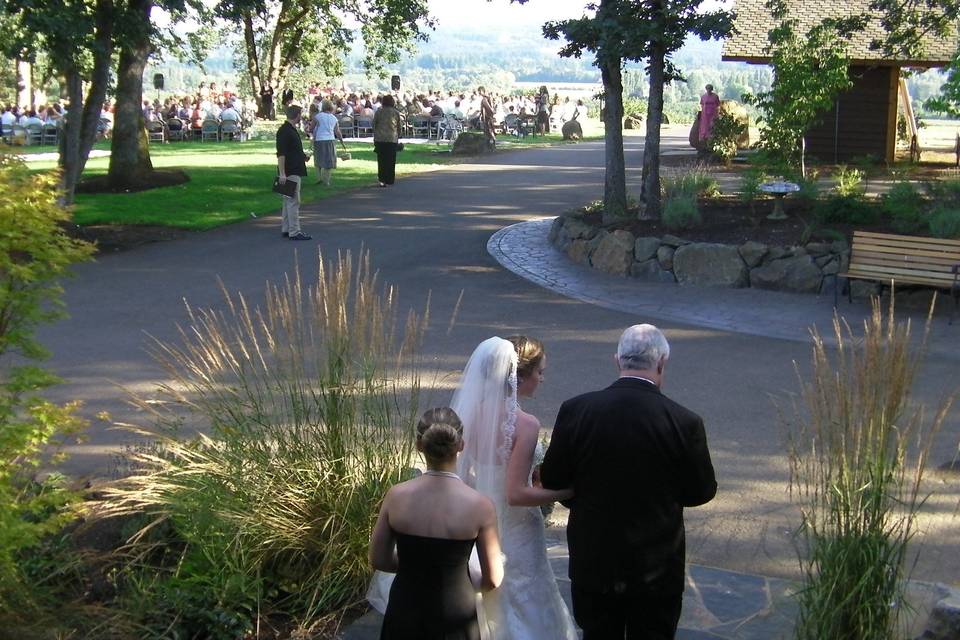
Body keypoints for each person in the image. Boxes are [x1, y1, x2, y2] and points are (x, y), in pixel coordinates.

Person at [541, 324, 717, 640]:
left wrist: (581, 497)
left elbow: (554, 478)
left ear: (617, 361)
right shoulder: (685, 421)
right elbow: (701, 491)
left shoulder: (577, 410)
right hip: (656, 564)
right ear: (662, 362)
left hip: (593, 557)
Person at [453, 336, 578, 639]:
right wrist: (567, 492)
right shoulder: (525, 424)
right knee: (526, 590)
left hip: (480, 516)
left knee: (490, 588)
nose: (542, 379)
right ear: (519, 376)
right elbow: (516, 494)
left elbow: (467, 475)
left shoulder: (470, 413)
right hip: (517, 525)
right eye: (539, 372)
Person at [370, 407, 504, 640]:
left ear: (418, 445)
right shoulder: (480, 506)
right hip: (456, 612)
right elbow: (493, 578)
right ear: (461, 445)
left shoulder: (396, 496)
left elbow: (379, 559)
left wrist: (415, 566)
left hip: (406, 606)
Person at [275, 103, 312, 241]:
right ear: (297, 115)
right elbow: (281, 154)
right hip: (290, 170)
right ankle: (294, 231)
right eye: (300, 115)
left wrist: (303, 157)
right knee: (293, 201)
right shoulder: (285, 131)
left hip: (293, 167)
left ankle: (286, 228)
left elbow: (293, 150)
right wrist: (282, 173)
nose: (301, 117)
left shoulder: (290, 130)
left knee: (287, 200)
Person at [372, 94, 403, 188]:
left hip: (380, 138)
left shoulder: (379, 112)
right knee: (391, 160)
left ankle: (382, 180)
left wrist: (376, 133)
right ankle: (390, 179)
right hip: (391, 139)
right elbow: (399, 126)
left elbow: (374, 124)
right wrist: (399, 134)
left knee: (381, 160)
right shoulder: (395, 112)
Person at [312, 99, 341, 186]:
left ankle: (319, 178)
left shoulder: (318, 116)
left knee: (318, 159)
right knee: (329, 161)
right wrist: (341, 140)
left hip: (319, 139)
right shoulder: (334, 118)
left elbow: (311, 127)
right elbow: (337, 131)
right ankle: (326, 180)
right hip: (330, 140)